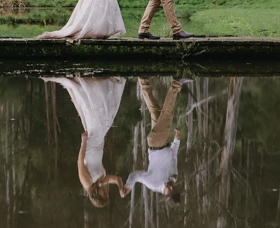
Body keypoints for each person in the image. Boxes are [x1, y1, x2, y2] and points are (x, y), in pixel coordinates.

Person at [45, 76, 128, 207]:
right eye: (107, 195)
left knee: (102, 119)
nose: (106, 193)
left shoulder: (87, 183)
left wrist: (83, 142)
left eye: (104, 195)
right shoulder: (101, 181)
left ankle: (90, 83)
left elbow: (80, 163)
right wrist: (120, 188)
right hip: (99, 143)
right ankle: (101, 82)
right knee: (104, 118)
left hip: (90, 146)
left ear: (96, 195)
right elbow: (117, 179)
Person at [120, 77, 188, 203]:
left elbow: (136, 176)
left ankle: (176, 83)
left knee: (167, 114)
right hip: (165, 141)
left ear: (166, 195)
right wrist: (177, 140)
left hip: (156, 142)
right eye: (175, 189)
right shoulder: (174, 178)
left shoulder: (153, 184)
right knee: (155, 110)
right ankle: (143, 81)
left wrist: (128, 186)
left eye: (170, 191)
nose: (172, 187)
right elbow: (173, 156)